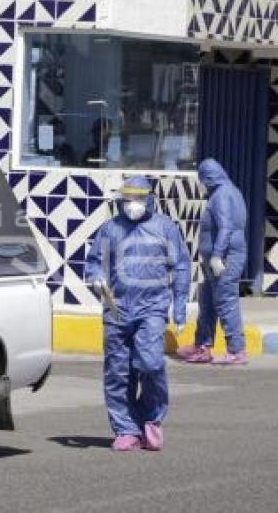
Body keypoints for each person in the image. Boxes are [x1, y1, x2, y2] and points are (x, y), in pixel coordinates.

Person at [86, 176, 191, 451]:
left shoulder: (165, 228)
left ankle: (151, 420)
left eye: (139, 199)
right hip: (116, 309)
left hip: (152, 308)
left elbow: (180, 266)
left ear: (150, 198)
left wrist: (179, 308)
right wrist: (96, 278)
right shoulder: (110, 229)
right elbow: (95, 261)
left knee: (151, 363)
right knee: (117, 372)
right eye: (128, 199)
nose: (133, 205)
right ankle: (126, 429)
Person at [177, 159, 248, 365]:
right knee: (208, 301)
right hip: (217, 257)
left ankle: (237, 350)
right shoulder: (229, 191)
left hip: (224, 257)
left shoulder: (222, 195)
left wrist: (217, 255)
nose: (202, 183)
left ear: (208, 176)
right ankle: (203, 346)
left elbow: (225, 227)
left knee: (226, 301)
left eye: (202, 179)